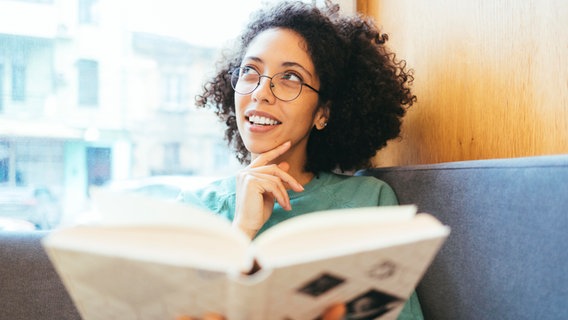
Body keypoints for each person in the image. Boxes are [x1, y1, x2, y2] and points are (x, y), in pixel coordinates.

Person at [179, 0, 419, 319]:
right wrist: (242, 232)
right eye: (251, 71)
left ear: (323, 112)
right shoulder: (197, 208)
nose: (261, 93)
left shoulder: (370, 201)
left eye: (290, 77)